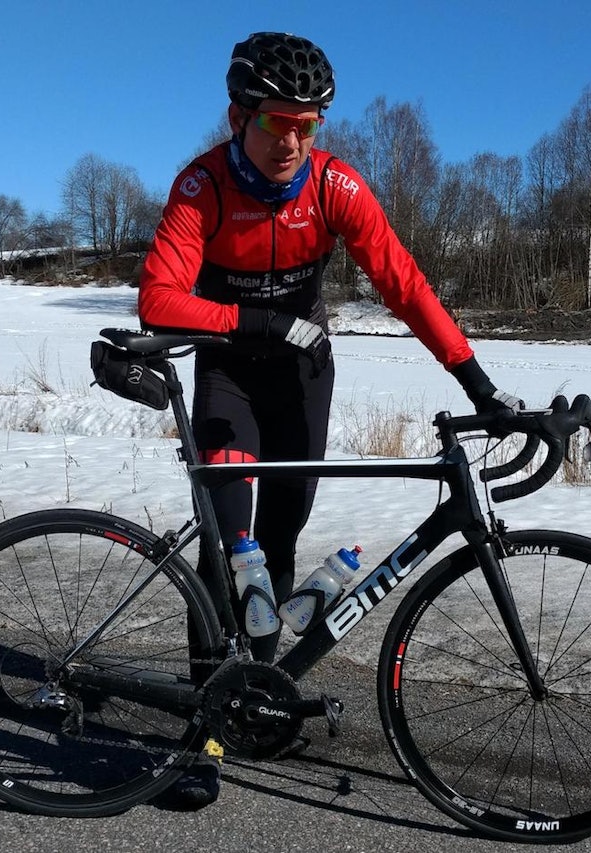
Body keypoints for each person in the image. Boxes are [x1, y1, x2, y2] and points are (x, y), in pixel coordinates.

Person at [138, 31, 520, 807]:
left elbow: (403, 282)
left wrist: (476, 381)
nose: (294, 141)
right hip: (231, 378)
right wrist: (252, 323)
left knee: (280, 536)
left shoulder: (333, 186)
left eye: (309, 125)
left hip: (303, 379)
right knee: (227, 542)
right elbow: (158, 299)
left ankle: (259, 693)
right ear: (239, 114)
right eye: (278, 122)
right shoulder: (201, 187)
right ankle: (201, 734)